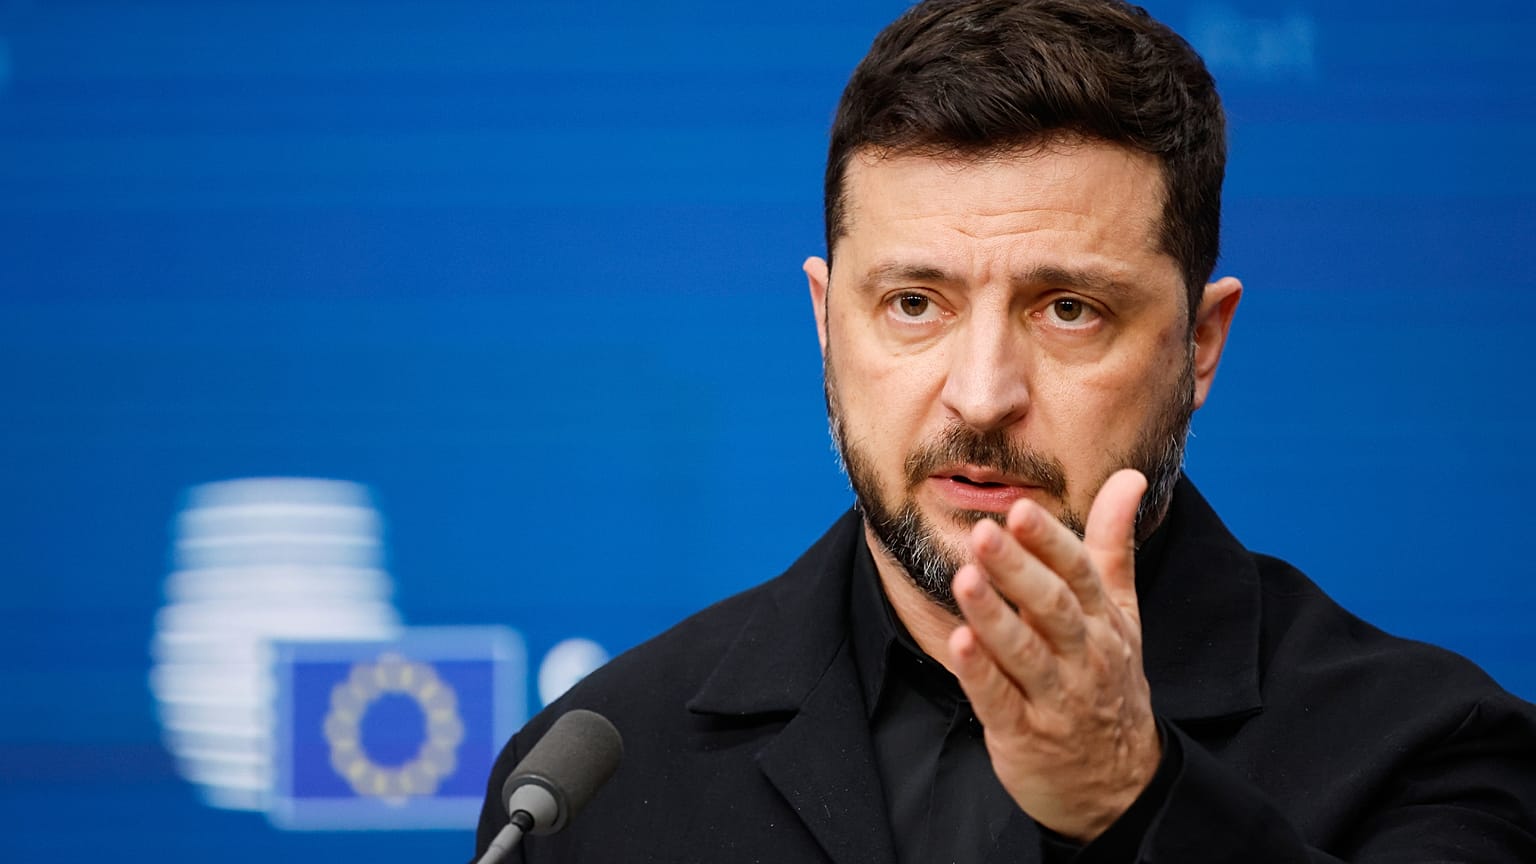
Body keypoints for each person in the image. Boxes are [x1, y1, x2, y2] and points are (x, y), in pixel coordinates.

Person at [474, 0, 1536, 860]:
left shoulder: (1433, 750)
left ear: (1201, 345)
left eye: (1068, 309)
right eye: (913, 304)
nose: (981, 395)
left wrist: (1136, 795)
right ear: (823, 321)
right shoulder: (594, 779)